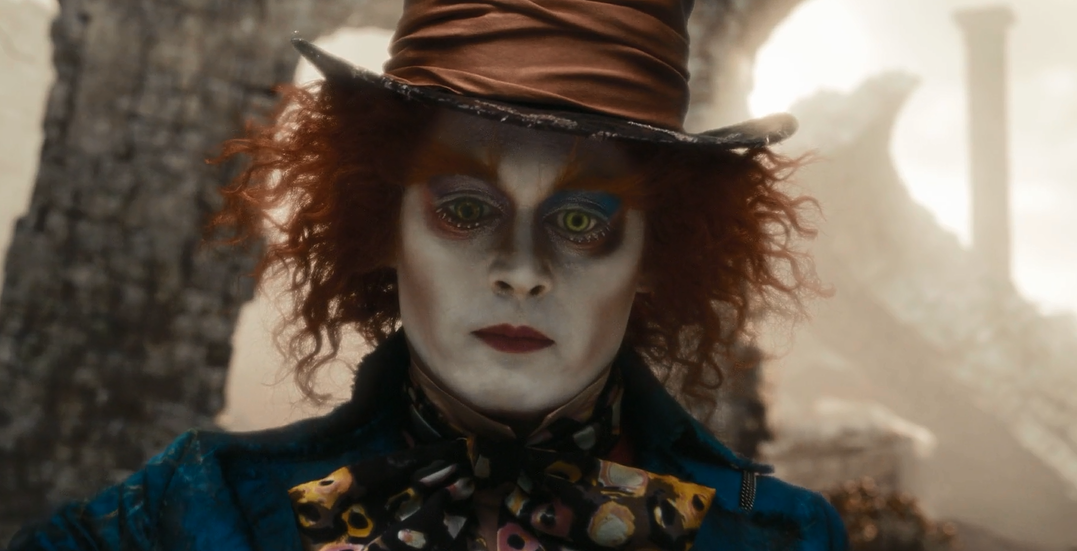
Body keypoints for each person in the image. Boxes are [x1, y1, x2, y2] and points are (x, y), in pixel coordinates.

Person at [9, 0, 847, 549]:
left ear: (656, 255)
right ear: (382, 224)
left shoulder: (784, 539)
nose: (520, 270)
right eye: (466, 209)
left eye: (580, 221)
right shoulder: (196, 508)